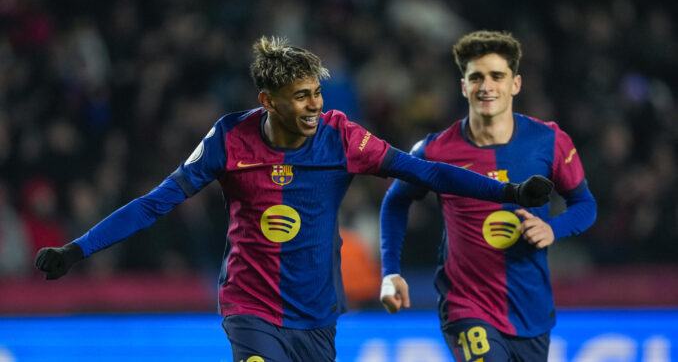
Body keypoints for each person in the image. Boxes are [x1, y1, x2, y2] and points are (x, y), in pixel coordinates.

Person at [35, 36, 553, 362]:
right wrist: (75, 250)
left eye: (317, 93)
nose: (315, 105)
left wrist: (507, 191)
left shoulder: (342, 137)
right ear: (267, 101)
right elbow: (154, 203)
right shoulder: (227, 140)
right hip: (250, 306)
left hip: (316, 316)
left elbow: (427, 172)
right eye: (302, 96)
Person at [379, 30, 597, 361]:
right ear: (463, 86)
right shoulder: (435, 150)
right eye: (476, 77)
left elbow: (585, 204)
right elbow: (396, 200)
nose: (486, 86)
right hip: (467, 304)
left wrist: (553, 228)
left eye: (497, 76)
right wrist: (391, 270)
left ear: (516, 84)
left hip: (531, 309)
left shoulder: (549, 141)